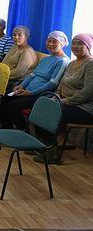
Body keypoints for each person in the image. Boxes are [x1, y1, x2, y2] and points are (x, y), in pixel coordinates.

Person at [35, 33, 93, 165]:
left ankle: (52, 153)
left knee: (52, 113)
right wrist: (55, 97)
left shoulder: (90, 64)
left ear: (88, 47)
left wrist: (64, 101)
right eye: (74, 43)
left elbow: (88, 92)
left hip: (85, 108)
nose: (75, 46)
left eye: (80, 44)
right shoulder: (72, 63)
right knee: (41, 107)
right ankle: (43, 146)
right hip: (65, 102)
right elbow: (61, 85)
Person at [0, 31, 70, 130]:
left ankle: (24, 131)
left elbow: (52, 84)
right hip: (27, 91)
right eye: (48, 41)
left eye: (54, 42)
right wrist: (21, 86)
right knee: (4, 98)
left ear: (62, 44)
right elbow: (32, 75)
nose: (50, 44)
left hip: (41, 95)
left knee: (12, 106)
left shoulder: (63, 61)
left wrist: (31, 93)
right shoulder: (46, 59)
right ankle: (6, 128)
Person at [2, 25, 38, 89]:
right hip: (5, 76)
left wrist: (2, 75)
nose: (16, 37)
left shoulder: (27, 52)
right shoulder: (14, 47)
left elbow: (19, 73)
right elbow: (4, 62)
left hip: (16, 83)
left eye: (20, 35)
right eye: (14, 35)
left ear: (26, 37)